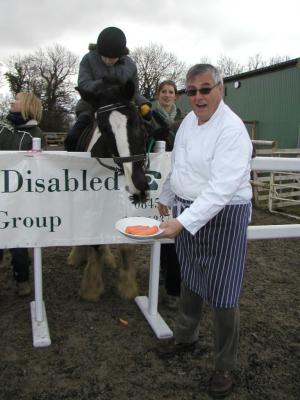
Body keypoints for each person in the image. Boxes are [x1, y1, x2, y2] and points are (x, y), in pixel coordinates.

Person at [157, 64, 253, 398]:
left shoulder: (232, 130)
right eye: (192, 90)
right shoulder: (186, 125)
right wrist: (166, 197)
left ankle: (224, 365)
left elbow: (221, 188)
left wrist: (182, 221)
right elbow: (177, 164)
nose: (198, 97)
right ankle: (186, 336)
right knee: (191, 276)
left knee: (224, 290)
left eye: (205, 89)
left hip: (225, 214)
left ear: (220, 89)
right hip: (186, 208)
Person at [65, 26, 150, 151]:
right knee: (72, 138)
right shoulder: (88, 59)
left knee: (149, 133)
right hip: (92, 106)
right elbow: (84, 84)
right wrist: (105, 84)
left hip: (122, 109)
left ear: (121, 55)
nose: (108, 61)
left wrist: (143, 103)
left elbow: (134, 91)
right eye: (104, 57)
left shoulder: (130, 65)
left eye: (113, 58)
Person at [0, 91, 46, 297]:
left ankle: (22, 277)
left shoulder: (36, 135)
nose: (12, 101)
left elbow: (39, 167)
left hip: (19, 197)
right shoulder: (2, 129)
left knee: (19, 238)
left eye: (17, 99)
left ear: (27, 105)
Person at [148, 80, 183, 308]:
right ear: (158, 95)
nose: (168, 95)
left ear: (175, 96)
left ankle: (173, 286)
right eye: (164, 91)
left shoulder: (185, 119)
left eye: (171, 92)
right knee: (157, 228)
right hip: (154, 178)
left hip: (176, 179)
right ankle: (160, 274)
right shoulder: (148, 116)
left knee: (174, 232)